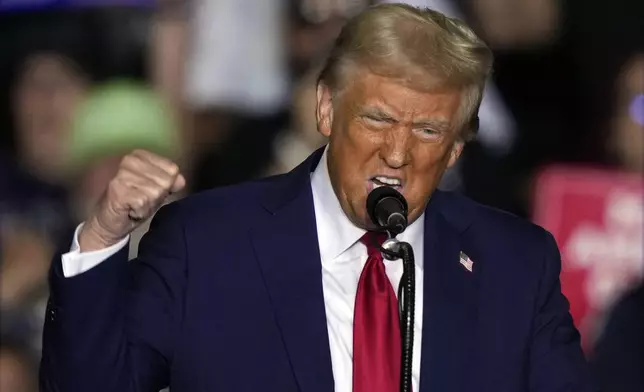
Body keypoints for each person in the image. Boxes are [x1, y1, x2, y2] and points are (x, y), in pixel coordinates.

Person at [40, 4, 597, 391]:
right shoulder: (207, 244)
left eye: (427, 131)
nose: (397, 153)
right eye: (378, 119)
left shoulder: (514, 264)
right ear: (326, 110)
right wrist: (103, 239)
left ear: (455, 148)